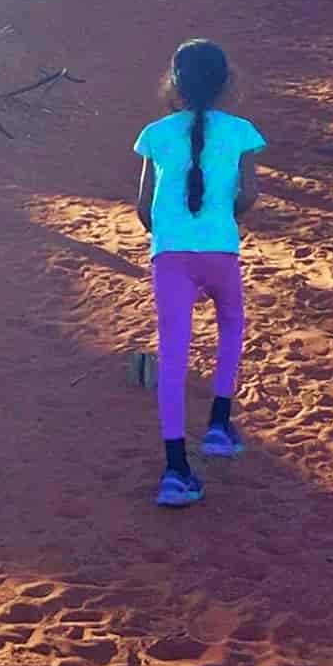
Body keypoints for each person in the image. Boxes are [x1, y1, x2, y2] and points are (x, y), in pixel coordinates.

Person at [132, 38, 263, 507]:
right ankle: (218, 426)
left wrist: (171, 230)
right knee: (231, 325)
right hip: (220, 250)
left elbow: (143, 208)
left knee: (172, 355)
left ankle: (175, 469)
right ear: (226, 82)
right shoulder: (243, 132)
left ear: (174, 83)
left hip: (170, 255)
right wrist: (220, 217)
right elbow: (248, 197)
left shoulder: (154, 134)